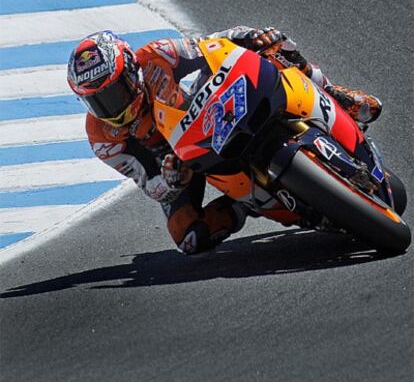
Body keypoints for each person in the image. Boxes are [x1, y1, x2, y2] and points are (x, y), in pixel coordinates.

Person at [67, 27, 382, 255]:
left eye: (113, 92)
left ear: (131, 70)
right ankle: (245, 205)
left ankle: (336, 94)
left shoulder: (157, 55)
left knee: (275, 47)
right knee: (187, 237)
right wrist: (171, 178)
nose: (110, 107)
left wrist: (252, 37)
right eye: (97, 101)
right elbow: (150, 186)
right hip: (177, 162)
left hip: (203, 113)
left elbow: (212, 45)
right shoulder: (102, 138)